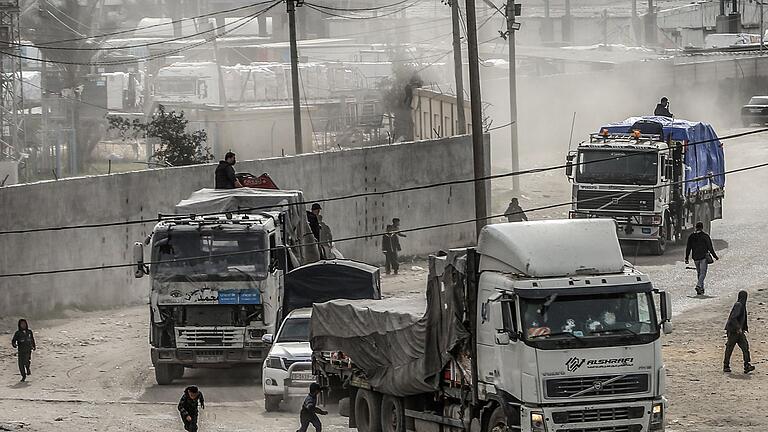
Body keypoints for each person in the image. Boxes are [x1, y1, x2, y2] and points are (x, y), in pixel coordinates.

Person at [723, 290, 755, 374]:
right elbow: (733, 318)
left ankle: (747, 365)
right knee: (730, 348)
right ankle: (726, 366)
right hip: (733, 331)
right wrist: (738, 328)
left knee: (745, 347)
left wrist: (742, 329)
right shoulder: (739, 305)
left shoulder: (741, 305)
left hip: (739, 332)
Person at [685, 221, 719, 295]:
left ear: (696, 227)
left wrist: (687, 258)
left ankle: (701, 289)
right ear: (702, 227)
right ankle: (699, 285)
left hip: (695, 258)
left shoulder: (691, 236)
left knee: (699, 273)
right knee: (703, 273)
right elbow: (710, 247)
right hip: (703, 257)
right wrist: (715, 256)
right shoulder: (705, 236)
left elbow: (688, 248)